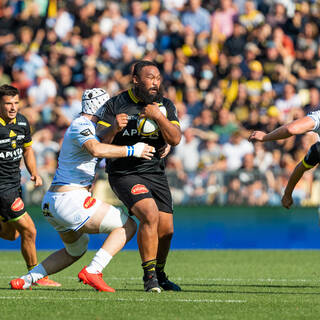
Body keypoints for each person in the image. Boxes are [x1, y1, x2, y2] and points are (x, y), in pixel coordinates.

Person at [10, 88, 156, 292]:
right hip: (70, 199)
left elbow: (101, 139)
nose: (111, 111)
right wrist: (133, 150)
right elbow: (96, 149)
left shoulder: (86, 126)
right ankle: (94, 270)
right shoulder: (81, 125)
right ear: (101, 107)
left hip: (54, 203)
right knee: (128, 226)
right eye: (109, 106)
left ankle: (27, 279)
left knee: (76, 249)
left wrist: (115, 129)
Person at [96, 60, 182, 292]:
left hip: (155, 172)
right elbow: (98, 143)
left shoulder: (164, 105)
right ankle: (150, 277)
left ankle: (161, 273)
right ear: (135, 80)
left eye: (158, 78)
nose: (155, 83)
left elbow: (175, 138)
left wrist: (159, 117)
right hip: (124, 172)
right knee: (149, 214)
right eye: (150, 78)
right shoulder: (116, 103)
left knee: (167, 230)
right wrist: (113, 127)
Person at [0, 84, 60, 287]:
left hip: (15, 184)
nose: (13, 107)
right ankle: (36, 276)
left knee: (11, 234)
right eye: (8, 103)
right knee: (29, 231)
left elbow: (27, 150)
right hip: (2, 189)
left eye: (16, 103)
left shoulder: (22, 123)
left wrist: (34, 172)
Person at [281, 142, 320, 209]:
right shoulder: (317, 149)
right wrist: (287, 193)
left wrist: (287, 193)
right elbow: (300, 169)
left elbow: (300, 169)